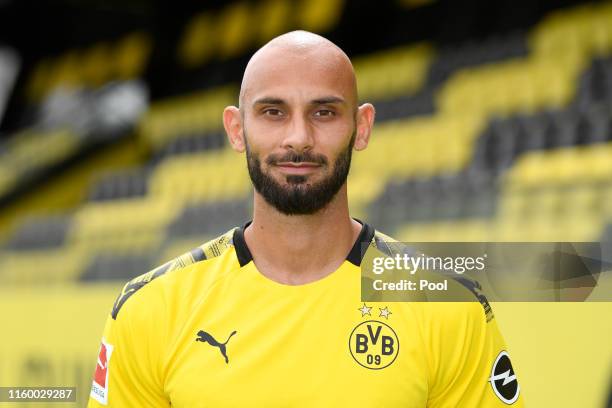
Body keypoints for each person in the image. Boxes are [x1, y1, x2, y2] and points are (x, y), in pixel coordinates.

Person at [88, 31, 523, 407]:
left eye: (324, 112)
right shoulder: (149, 310)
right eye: (273, 112)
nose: (298, 137)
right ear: (237, 129)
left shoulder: (445, 304)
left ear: (362, 126)